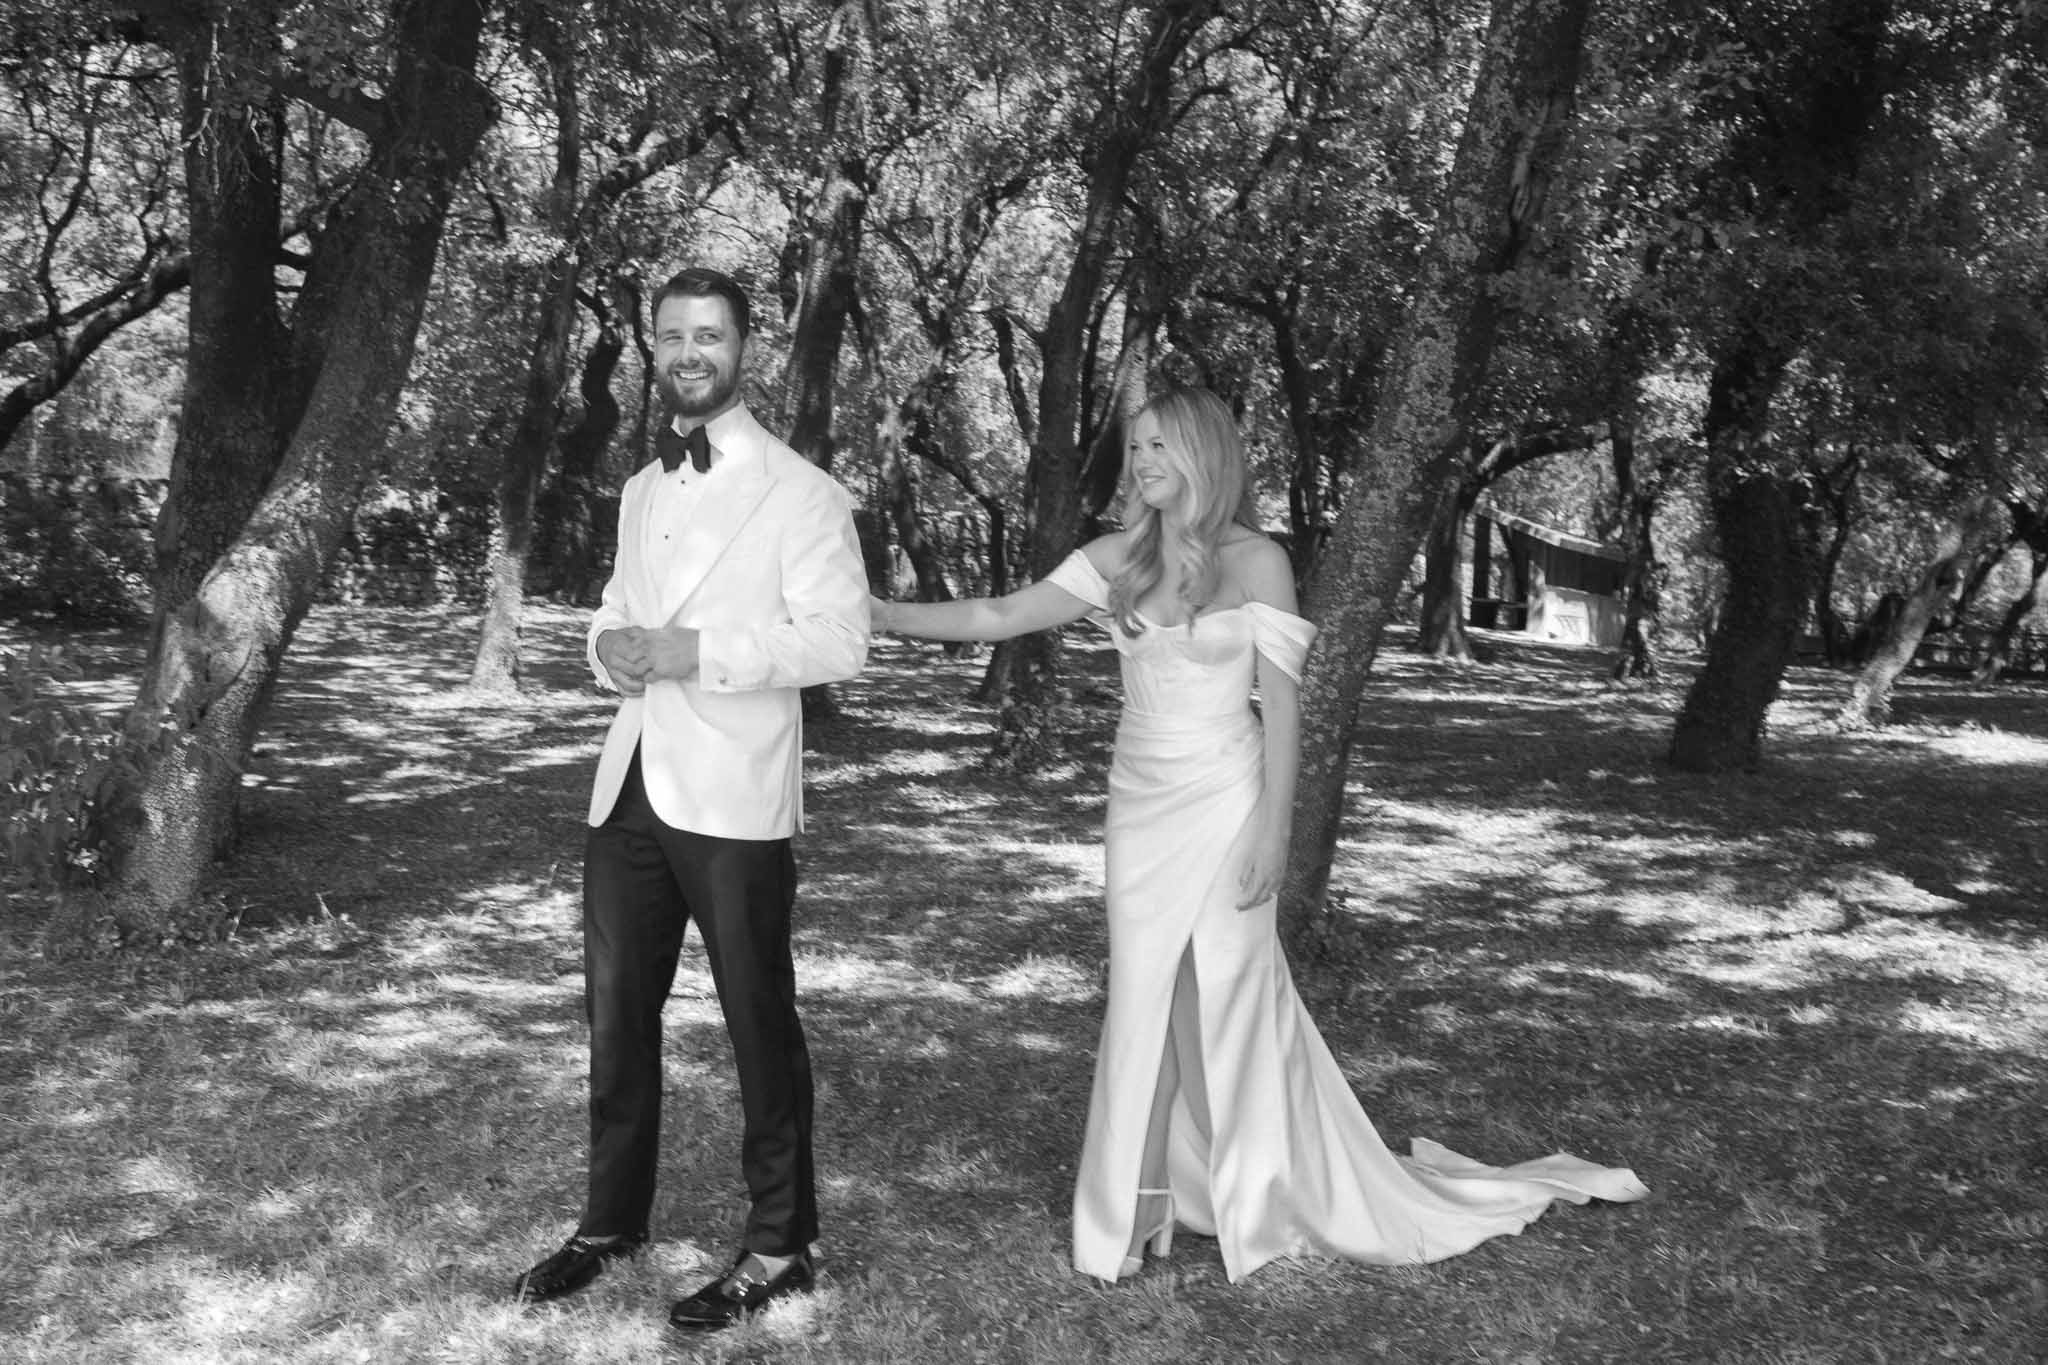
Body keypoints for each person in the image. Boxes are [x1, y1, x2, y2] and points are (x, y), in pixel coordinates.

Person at [872, 386, 1646, 1283]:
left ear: (1204, 453)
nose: (1143, 463)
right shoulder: (1117, 556)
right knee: (1144, 996)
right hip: (1140, 804)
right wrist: (885, 614)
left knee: (1225, 994)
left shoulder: (1260, 562)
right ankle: (1140, 1200)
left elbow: (1283, 712)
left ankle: (1252, 1192)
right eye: (1136, 448)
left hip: (1228, 796)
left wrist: (1276, 833)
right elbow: (1001, 615)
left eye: (1160, 446)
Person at [512, 267, 868, 1331]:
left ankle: (781, 1242)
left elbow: (839, 640)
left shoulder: (802, 491)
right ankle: (609, 1222)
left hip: (733, 794)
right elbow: (614, 611)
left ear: (744, 348)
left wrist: (695, 652)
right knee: (616, 1014)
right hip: (629, 782)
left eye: (709, 335)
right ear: (653, 347)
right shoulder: (640, 488)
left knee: (757, 1017)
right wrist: (607, 650)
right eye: (672, 336)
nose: (689, 353)